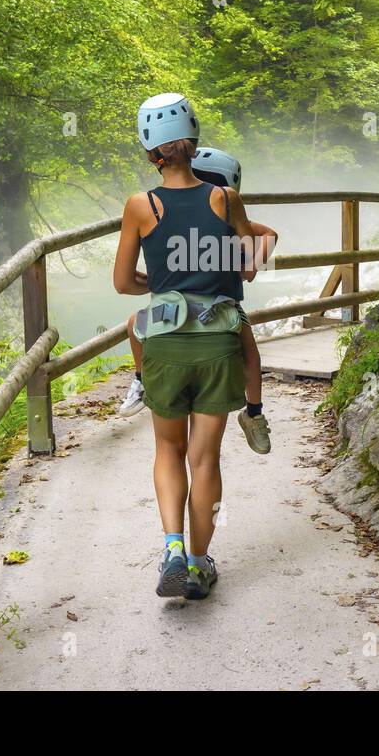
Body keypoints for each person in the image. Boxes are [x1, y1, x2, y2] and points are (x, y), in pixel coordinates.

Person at [113, 92, 257, 600]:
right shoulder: (225, 198)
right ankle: (199, 563)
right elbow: (249, 259)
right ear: (194, 144)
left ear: (151, 153)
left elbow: (123, 284)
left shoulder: (140, 206)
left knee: (167, 450)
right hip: (218, 343)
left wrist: (157, 283)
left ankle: (172, 549)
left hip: (166, 345)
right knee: (204, 460)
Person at [117, 146, 276, 456]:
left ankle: (254, 413)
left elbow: (267, 235)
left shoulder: (228, 214)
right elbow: (269, 236)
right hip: (177, 306)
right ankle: (140, 380)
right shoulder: (210, 207)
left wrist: (250, 265)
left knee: (251, 355)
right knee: (135, 323)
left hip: (221, 305)